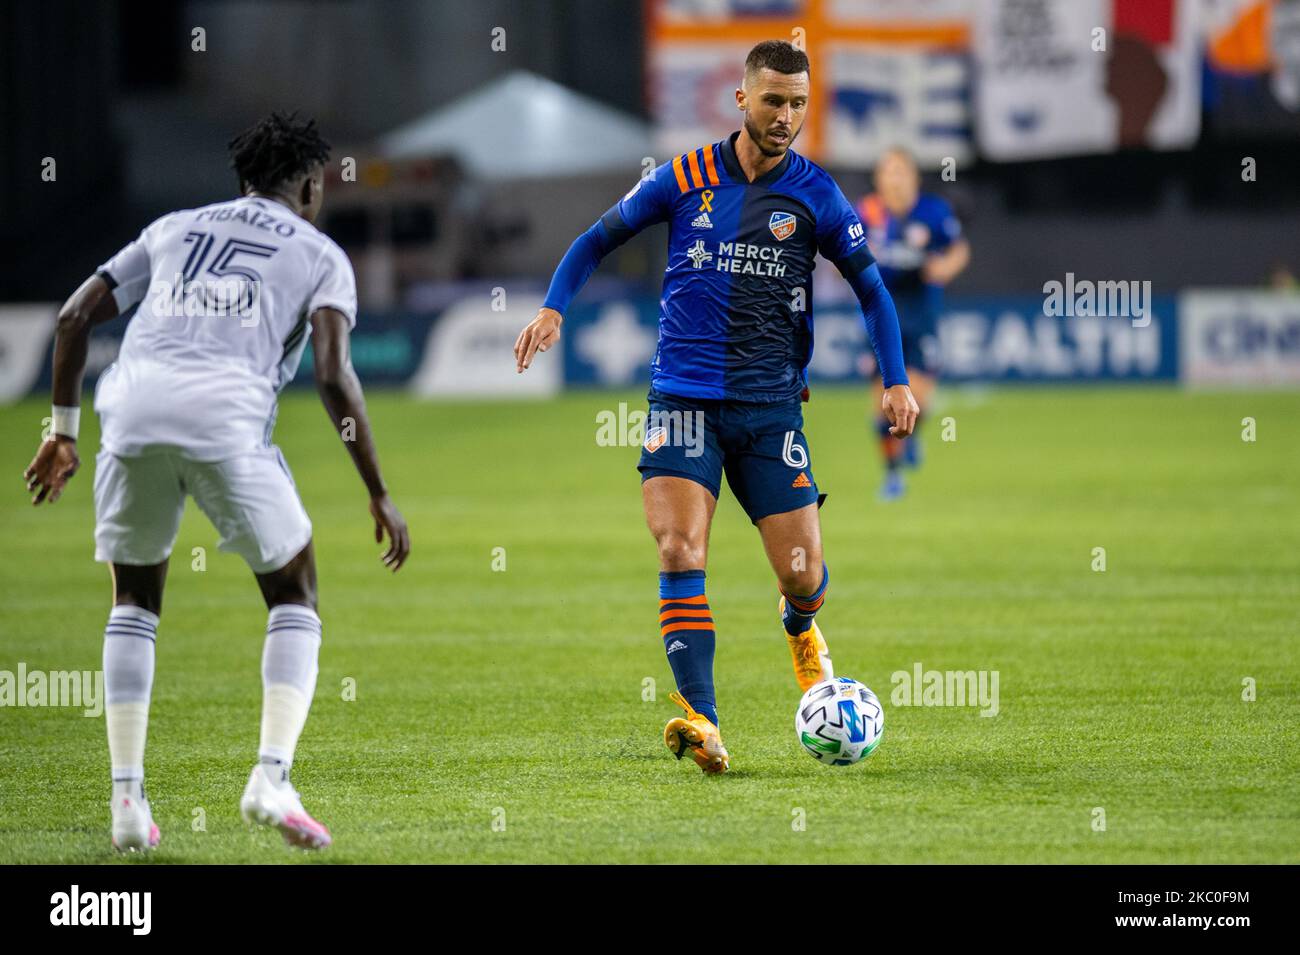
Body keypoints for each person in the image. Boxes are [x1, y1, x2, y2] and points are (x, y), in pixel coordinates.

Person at [514, 41, 916, 774]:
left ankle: (800, 627)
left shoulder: (818, 195)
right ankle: (705, 719)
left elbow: (873, 291)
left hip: (769, 411)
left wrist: (894, 378)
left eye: (798, 103)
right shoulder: (683, 176)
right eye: (773, 101)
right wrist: (553, 308)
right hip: (682, 400)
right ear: (742, 99)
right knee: (679, 549)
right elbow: (594, 239)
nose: (787, 116)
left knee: (801, 573)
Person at [22, 113, 410, 851]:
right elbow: (334, 374)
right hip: (226, 418)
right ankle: (270, 775)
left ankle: (128, 802)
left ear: (241, 183)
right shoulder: (322, 255)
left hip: (130, 411)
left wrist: (63, 433)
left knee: (134, 600)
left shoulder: (172, 229)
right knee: (295, 592)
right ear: (310, 184)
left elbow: (73, 318)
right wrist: (378, 490)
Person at [858, 147, 969, 499]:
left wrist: (945, 269)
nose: (896, 179)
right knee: (882, 400)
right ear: (879, 179)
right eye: (889, 172)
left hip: (921, 312)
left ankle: (914, 437)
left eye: (901, 171)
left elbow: (958, 248)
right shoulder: (866, 213)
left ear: (914, 178)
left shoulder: (933, 212)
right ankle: (892, 475)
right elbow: (841, 253)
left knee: (919, 397)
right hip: (880, 312)